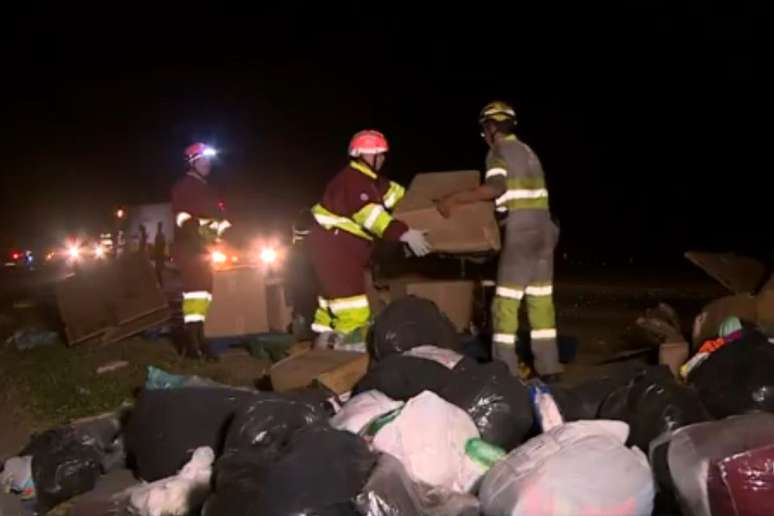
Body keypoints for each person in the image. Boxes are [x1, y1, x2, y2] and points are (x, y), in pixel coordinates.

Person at [438, 101, 562, 378]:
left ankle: (504, 370)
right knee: (540, 301)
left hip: (521, 231)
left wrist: (454, 198)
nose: (484, 134)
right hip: (545, 230)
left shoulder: (499, 151)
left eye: (485, 128)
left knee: (505, 302)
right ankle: (550, 367)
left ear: (491, 127)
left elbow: (496, 188)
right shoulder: (528, 152)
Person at [309, 130, 431, 350]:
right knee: (353, 307)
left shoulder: (370, 180)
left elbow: (397, 195)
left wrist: (426, 201)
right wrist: (403, 233)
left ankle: (321, 349)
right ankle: (345, 359)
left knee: (331, 305)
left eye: (383, 154)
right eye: (377, 154)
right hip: (336, 249)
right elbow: (371, 216)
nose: (382, 159)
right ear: (361, 155)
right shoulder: (353, 181)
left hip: (333, 247)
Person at [171, 143, 231, 360]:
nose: (208, 165)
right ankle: (191, 345)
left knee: (205, 295)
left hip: (206, 250)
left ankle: (199, 338)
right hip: (191, 249)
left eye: (209, 161)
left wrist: (226, 232)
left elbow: (220, 219)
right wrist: (201, 234)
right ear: (192, 163)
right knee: (195, 294)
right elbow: (182, 219)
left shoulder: (208, 188)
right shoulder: (184, 186)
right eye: (203, 161)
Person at [153, 221, 167, 286]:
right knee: (157, 269)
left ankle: (160, 283)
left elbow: (162, 245)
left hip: (159, 254)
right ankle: (159, 283)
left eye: (159, 226)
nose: (158, 228)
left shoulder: (160, 235)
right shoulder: (158, 235)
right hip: (158, 254)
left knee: (158, 269)